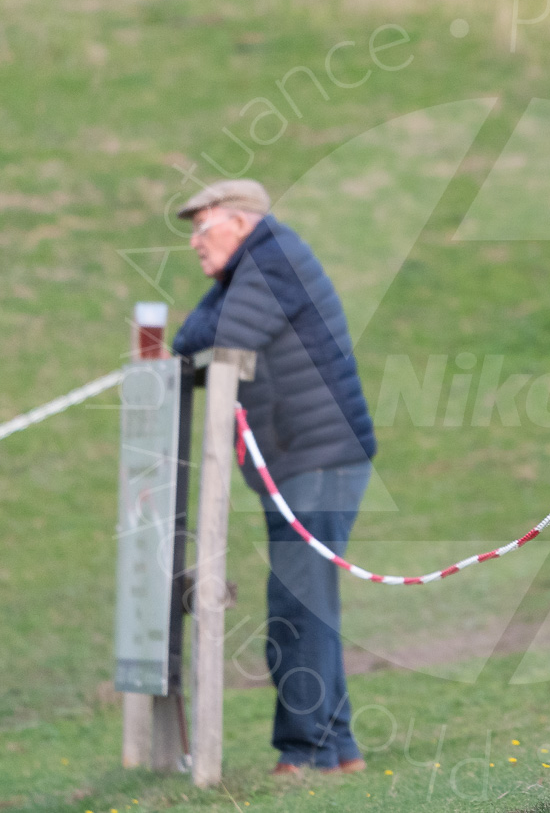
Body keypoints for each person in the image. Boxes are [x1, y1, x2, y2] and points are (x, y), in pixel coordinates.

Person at [171, 179, 377, 775]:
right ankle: (336, 751)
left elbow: (212, 339)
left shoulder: (271, 261)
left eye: (203, 226)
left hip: (316, 459)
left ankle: (306, 752)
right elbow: (195, 341)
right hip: (308, 458)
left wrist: (197, 331)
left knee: (295, 606)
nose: (194, 242)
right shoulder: (257, 267)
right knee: (307, 603)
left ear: (241, 223)